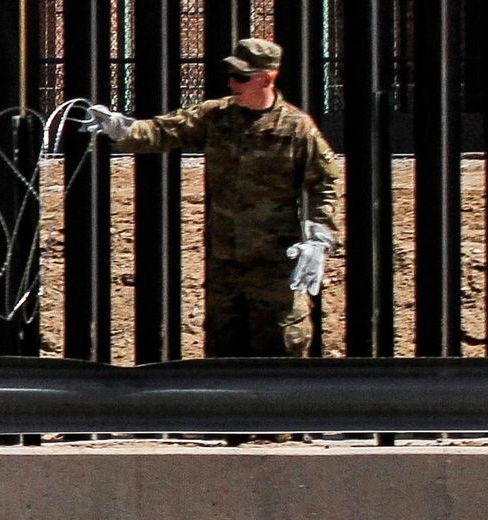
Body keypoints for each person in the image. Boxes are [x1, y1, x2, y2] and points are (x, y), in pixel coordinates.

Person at [85, 38, 339, 358]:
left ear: (267, 78)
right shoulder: (216, 116)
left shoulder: (296, 128)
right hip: (225, 265)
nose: (233, 83)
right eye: (231, 76)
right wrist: (122, 129)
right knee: (223, 352)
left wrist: (319, 237)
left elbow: (325, 182)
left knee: (280, 351)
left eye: (242, 77)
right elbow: (166, 130)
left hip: (274, 266)